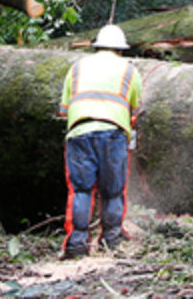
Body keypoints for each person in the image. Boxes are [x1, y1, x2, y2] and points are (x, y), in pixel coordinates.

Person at [57, 24, 143, 259]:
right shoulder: (129, 70)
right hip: (113, 133)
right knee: (113, 190)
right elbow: (135, 109)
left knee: (82, 190)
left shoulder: (77, 67)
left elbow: (64, 109)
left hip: (79, 132)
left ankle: (76, 244)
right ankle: (111, 240)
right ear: (120, 50)